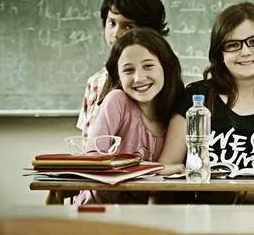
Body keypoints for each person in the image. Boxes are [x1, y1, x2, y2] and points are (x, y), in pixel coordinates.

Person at [156, 2, 254, 204]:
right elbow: (166, 170)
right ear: (219, 54)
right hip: (194, 221)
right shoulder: (197, 98)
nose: (246, 52)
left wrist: (233, 191)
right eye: (233, 45)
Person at [74, 28, 184, 204]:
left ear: (166, 67)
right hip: (97, 212)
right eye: (128, 70)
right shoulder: (117, 100)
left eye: (148, 66)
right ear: (118, 77)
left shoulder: (177, 113)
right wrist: (157, 169)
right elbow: (94, 161)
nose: (139, 78)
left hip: (145, 217)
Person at [76, 0, 169, 137]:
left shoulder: (161, 79)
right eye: (111, 23)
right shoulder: (96, 82)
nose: (115, 33)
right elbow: (89, 143)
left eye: (128, 26)